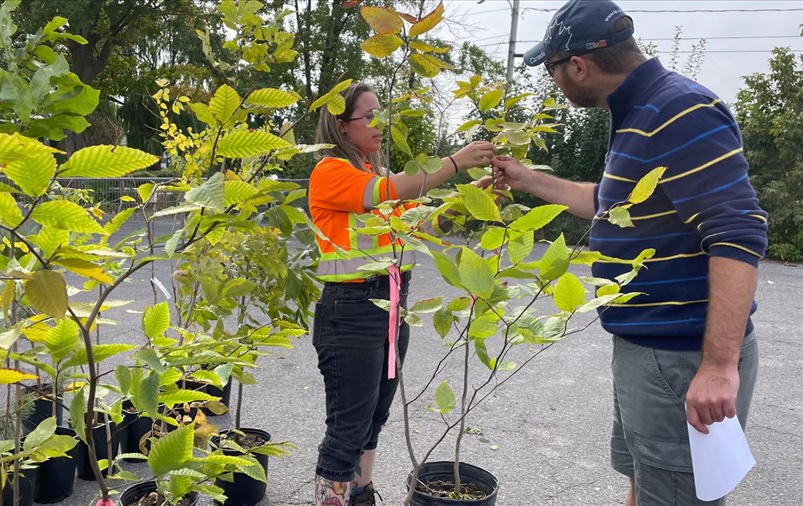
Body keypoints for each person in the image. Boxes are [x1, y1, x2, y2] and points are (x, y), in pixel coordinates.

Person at [492, 1, 768, 505]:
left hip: (683, 356)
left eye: (553, 70)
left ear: (578, 66)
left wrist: (717, 366)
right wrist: (526, 178)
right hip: (649, 351)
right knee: (646, 480)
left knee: (677, 495)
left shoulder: (679, 111)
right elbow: (609, 203)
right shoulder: (640, 113)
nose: (555, 82)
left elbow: (737, 232)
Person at [308, 82, 498, 506]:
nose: (379, 124)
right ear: (341, 125)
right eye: (368, 116)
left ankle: (360, 492)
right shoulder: (332, 171)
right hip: (352, 309)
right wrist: (454, 163)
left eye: (381, 114)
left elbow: (422, 226)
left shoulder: (376, 176)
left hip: (392, 308)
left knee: (375, 416)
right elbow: (393, 191)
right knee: (348, 426)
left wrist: (470, 201)